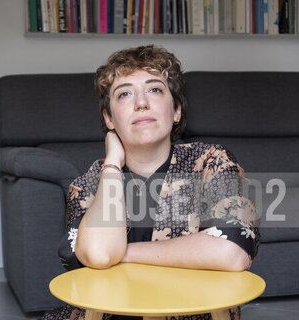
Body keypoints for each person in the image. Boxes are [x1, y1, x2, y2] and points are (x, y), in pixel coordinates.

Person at [42, 45, 260, 320]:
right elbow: (98, 254)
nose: (141, 102)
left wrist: (124, 253)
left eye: (155, 89)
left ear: (176, 110)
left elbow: (233, 252)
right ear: (109, 119)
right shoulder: (89, 182)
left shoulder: (211, 162)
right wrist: (112, 164)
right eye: (124, 94)